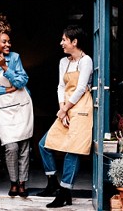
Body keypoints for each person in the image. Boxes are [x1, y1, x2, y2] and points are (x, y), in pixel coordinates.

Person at [36, 25, 93, 208]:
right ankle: (52, 182)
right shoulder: (63, 62)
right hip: (66, 108)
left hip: (81, 108)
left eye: (64, 40)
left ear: (74, 42)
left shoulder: (86, 61)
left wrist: (66, 108)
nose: (61, 43)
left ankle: (65, 192)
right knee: (44, 144)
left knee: (73, 151)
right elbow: (61, 87)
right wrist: (62, 110)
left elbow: (81, 88)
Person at [0, 14, 34, 197]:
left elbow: (22, 81)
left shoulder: (15, 58)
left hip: (21, 106)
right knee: (11, 147)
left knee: (24, 147)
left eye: (9, 42)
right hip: (1, 110)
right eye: (4, 41)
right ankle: (13, 181)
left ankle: (22, 183)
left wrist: (5, 68)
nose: (8, 45)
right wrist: (6, 91)